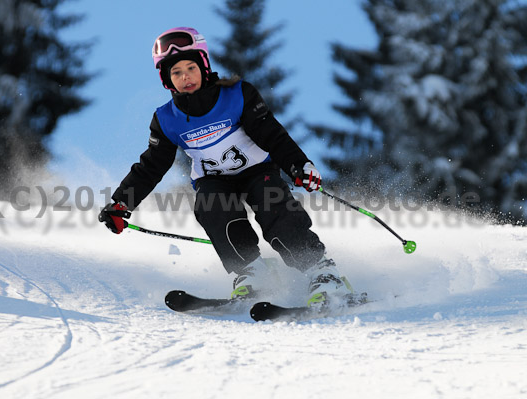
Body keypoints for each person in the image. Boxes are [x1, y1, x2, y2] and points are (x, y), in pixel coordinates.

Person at [99, 27, 354, 307]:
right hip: (215, 180)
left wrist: (299, 166)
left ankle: (322, 271)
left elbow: (272, 134)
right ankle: (251, 272)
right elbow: (151, 166)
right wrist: (122, 203)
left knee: (275, 210)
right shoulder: (166, 119)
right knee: (211, 206)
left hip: (258, 172)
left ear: (204, 66)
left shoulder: (237, 94)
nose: (185, 77)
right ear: (166, 80)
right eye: (176, 73)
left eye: (191, 68)